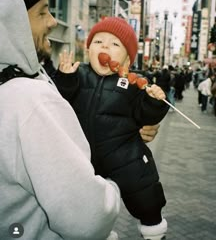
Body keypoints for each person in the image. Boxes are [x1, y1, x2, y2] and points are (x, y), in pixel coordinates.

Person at [0, 0, 121, 240]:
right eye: (42, 12)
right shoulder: (29, 99)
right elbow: (89, 220)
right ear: (11, 22)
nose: (53, 21)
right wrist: (112, 187)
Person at [55, 17, 169, 240]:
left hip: (125, 156)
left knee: (144, 194)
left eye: (115, 44)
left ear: (127, 60)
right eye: (98, 42)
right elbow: (59, 103)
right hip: (85, 160)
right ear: (88, 50)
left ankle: (154, 231)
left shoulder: (134, 84)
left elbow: (143, 115)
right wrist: (65, 79)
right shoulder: (77, 75)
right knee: (91, 208)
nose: (105, 46)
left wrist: (154, 102)